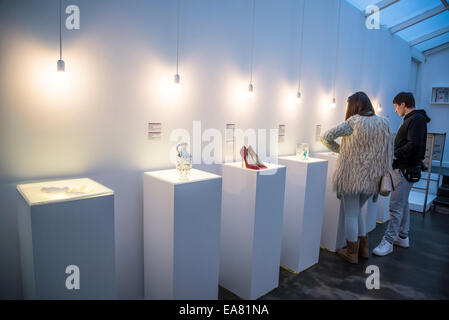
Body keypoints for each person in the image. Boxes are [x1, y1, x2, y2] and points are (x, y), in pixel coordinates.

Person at [321, 92, 392, 264]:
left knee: (351, 214)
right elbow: (389, 151)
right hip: (373, 178)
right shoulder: (384, 123)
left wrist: (341, 151)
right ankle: (364, 249)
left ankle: (352, 253)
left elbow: (325, 137)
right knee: (358, 211)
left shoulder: (353, 122)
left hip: (352, 177)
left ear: (354, 106)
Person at [373, 92, 430, 256]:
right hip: (406, 169)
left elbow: (413, 145)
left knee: (395, 207)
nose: (396, 110)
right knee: (403, 204)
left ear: (403, 104)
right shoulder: (413, 119)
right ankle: (403, 237)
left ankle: (388, 241)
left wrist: (394, 154)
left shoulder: (416, 119)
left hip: (405, 169)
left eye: (396, 106)